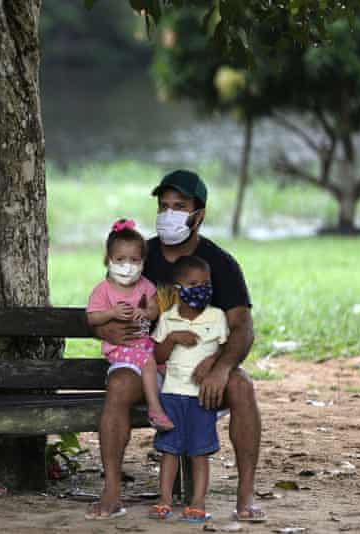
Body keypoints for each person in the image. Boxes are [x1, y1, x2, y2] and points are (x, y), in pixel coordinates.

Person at [85, 169, 266, 523]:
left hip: (202, 367)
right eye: (163, 206)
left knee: (242, 386)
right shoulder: (138, 254)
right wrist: (106, 333)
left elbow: (242, 327)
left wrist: (221, 367)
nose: (169, 214)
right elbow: (100, 307)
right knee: (119, 384)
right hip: (150, 364)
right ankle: (111, 492)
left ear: (199, 214)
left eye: (179, 207)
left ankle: (245, 496)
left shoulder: (221, 264)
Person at [147, 255, 228, 523]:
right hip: (172, 394)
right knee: (169, 450)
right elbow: (157, 355)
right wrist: (172, 338)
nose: (202, 288)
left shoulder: (217, 317)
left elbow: (226, 348)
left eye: (206, 283)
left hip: (201, 398)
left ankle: (198, 502)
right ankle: (164, 500)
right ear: (177, 290)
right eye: (194, 283)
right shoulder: (168, 319)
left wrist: (212, 360)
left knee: (199, 452)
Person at [86, 218, 173, 433]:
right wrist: (111, 313)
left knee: (168, 366)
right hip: (121, 350)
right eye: (121, 259)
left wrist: (144, 312)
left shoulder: (145, 286)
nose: (128, 266)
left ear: (143, 261)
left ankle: (176, 413)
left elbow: (154, 310)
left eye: (134, 260)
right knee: (149, 363)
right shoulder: (103, 290)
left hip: (144, 344)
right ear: (108, 260)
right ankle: (155, 411)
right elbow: (92, 318)